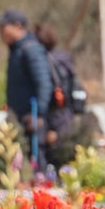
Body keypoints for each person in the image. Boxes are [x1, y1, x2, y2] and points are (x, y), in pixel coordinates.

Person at [0, 9, 51, 168]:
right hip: (19, 119)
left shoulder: (31, 49)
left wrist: (39, 114)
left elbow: (43, 82)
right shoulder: (16, 50)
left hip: (32, 119)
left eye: (3, 27)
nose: (0, 32)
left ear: (17, 26)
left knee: (36, 164)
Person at [35, 22, 82, 167]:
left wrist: (52, 129)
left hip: (56, 114)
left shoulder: (47, 61)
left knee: (55, 157)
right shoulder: (63, 57)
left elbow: (53, 91)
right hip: (67, 112)